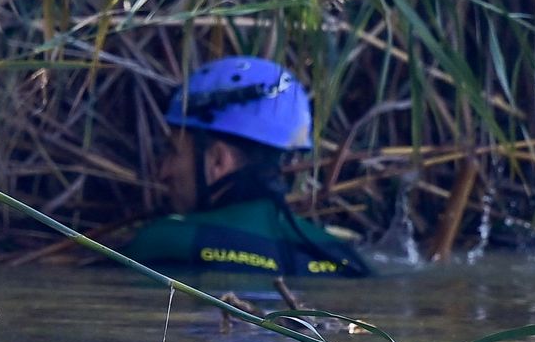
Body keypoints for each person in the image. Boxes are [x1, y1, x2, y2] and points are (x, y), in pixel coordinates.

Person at [123, 56, 371, 279]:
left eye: (173, 151)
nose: (162, 172)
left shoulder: (166, 241)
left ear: (218, 160)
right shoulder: (342, 256)